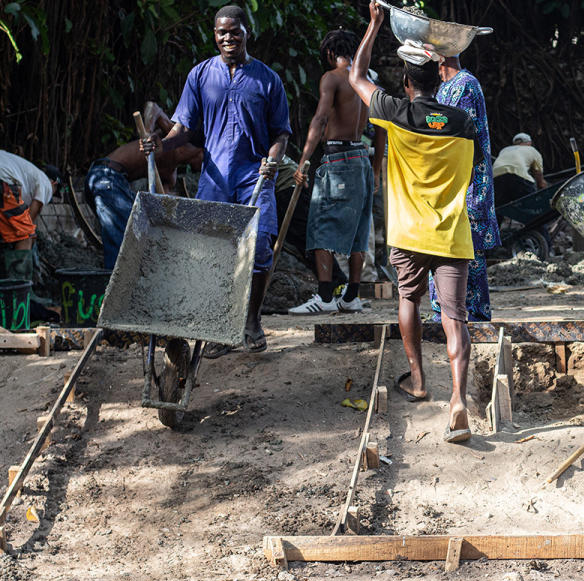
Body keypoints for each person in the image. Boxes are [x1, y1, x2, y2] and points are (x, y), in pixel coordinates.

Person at [349, 2, 479, 443]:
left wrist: (374, 25)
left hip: (408, 233)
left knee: (409, 298)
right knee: (455, 317)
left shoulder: (392, 111)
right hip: (451, 233)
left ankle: (419, 381)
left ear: (407, 82)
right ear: (439, 77)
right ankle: (458, 399)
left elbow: (356, 77)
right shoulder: (462, 122)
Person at [139, 5, 291, 357]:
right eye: (221, 32)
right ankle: (220, 329)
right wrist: (161, 143)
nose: (228, 38)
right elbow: (185, 127)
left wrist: (272, 160)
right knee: (211, 251)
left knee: (260, 249)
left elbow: (281, 133)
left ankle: (251, 322)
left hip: (255, 175)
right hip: (217, 176)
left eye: (234, 31)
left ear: (246, 32)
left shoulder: (267, 80)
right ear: (214, 35)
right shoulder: (201, 75)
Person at [287, 29, 385, 315]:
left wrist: (304, 159)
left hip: (338, 160)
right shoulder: (369, 82)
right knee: (357, 232)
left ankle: (326, 298)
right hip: (361, 161)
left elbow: (320, 118)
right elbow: (381, 130)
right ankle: (351, 296)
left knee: (320, 229)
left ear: (330, 54)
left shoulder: (332, 78)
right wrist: (376, 170)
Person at [87, 103, 202, 269]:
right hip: (105, 175)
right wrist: (147, 132)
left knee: (134, 232)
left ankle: (117, 279)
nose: (202, 170)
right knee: (127, 236)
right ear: (202, 152)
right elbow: (152, 107)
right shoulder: (176, 138)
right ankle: (116, 284)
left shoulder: (170, 174)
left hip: (116, 184)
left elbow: (164, 205)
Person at [429, 53, 499, 323]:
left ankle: (471, 316)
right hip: (456, 184)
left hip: (467, 185)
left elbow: (461, 139)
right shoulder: (448, 87)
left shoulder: (465, 85)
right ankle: (448, 313)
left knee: (468, 254)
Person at [0, 150, 59, 283]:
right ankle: (21, 293)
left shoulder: (24, 169)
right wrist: (29, 241)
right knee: (25, 236)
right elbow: (32, 216)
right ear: (54, 184)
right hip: (3, 182)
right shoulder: (45, 182)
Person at [492, 132, 547, 208]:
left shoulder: (504, 150)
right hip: (517, 175)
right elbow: (538, 175)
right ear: (529, 142)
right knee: (531, 205)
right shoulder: (532, 150)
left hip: (495, 177)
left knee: (499, 208)